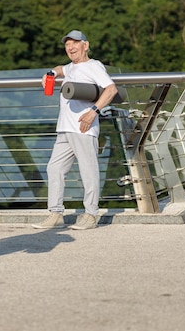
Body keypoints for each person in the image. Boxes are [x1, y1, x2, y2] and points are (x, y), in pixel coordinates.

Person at [32, 30, 118, 230]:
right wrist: (51, 73)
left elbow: (111, 89)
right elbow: (61, 68)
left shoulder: (93, 66)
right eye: (67, 45)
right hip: (64, 129)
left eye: (75, 43)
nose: (70, 48)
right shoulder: (70, 67)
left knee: (88, 172)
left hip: (83, 127)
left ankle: (90, 215)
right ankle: (55, 214)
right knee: (54, 168)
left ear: (85, 45)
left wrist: (94, 112)